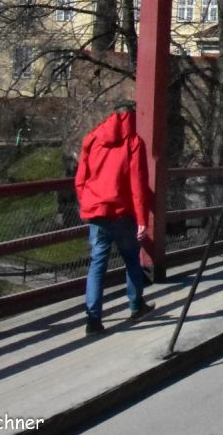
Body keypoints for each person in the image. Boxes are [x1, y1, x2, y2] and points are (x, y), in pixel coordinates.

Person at [75, 100, 154, 335]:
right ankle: (136, 305)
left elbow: (80, 178)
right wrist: (142, 218)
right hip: (122, 213)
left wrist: (87, 202)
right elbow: (137, 185)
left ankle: (93, 319)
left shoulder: (93, 138)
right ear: (131, 117)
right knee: (131, 258)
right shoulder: (133, 143)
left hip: (97, 212)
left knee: (97, 264)